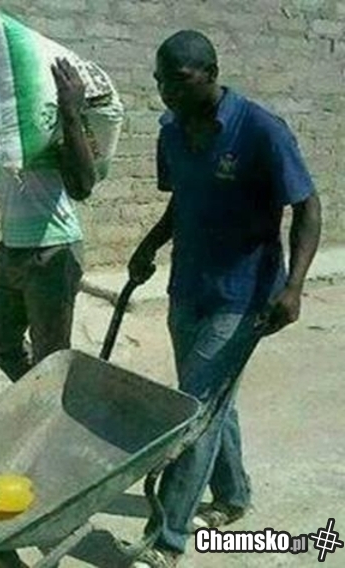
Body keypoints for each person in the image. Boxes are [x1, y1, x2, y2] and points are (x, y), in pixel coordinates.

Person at [128, 30, 322, 568]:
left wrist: (294, 286)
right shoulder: (170, 131)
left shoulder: (260, 129)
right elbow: (183, 203)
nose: (166, 91)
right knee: (212, 403)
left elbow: (308, 207)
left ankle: (164, 540)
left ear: (211, 74)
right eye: (160, 80)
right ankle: (233, 496)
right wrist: (148, 246)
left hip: (244, 295)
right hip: (187, 288)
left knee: (192, 411)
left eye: (178, 80)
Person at [0, 49, 113, 382]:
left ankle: (52, 404)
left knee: (51, 356)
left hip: (55, 252)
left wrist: (70, 112)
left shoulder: (41, 122)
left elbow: (83, 186)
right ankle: (42, 395)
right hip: (10, 252)